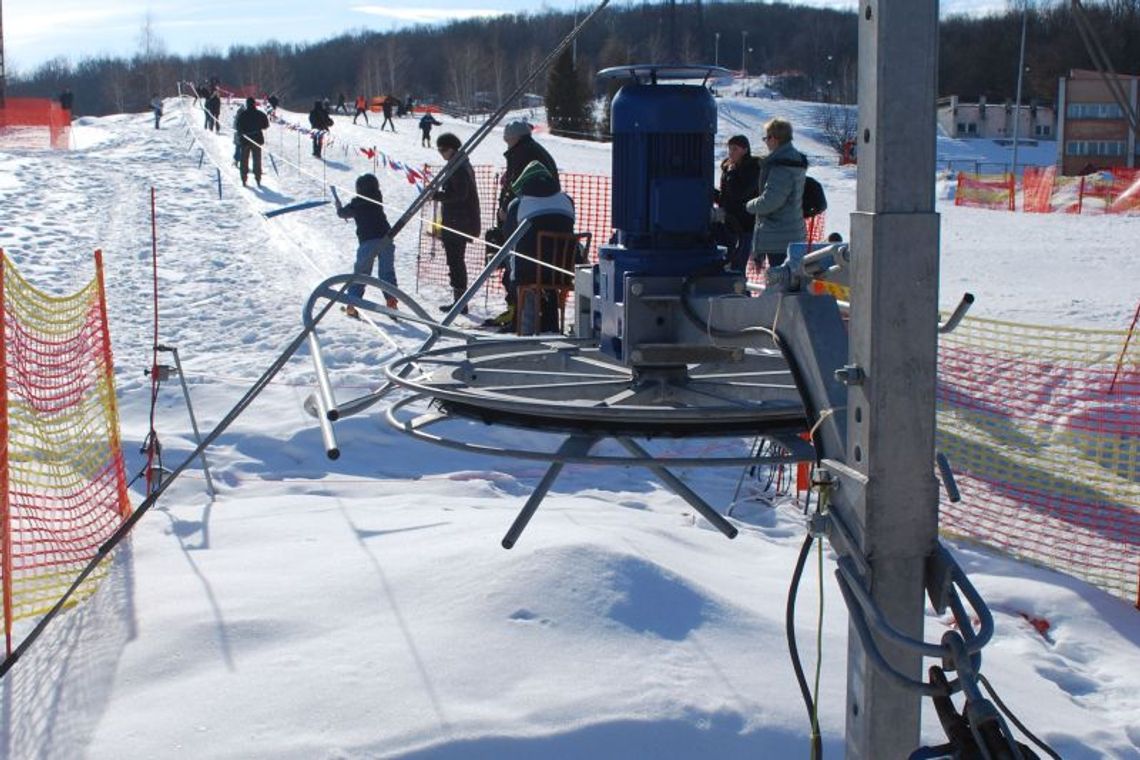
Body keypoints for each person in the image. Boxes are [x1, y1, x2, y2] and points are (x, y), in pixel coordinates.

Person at [484, 119, 560, 327]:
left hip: (527, 224)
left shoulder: (522, 154)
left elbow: (518, 185)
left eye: (507, 140)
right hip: (547, 233)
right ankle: (544, 318)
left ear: (515, 138)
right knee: (542, 273)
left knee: (515, 263)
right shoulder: (534, 151)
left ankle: (519, 315)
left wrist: (506, 209)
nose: (507, 144)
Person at [502, 160, 575, 335]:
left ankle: (524, 323)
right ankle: (550, 324)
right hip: (562, 271)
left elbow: (509, 238)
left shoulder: (518, 204)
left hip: (529, 271)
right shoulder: (567, 201)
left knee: (512, 262)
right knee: (547, 272)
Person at [746, 117, 807, 268]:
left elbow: (771, 201)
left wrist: (748, 205)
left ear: (774, 138)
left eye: (766, 138)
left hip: (780, 237)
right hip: (788, 233)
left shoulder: (782, 165)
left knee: (780, 280)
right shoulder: (792, 160)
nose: (766, 142)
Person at [335, 174, 397, 317]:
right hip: (386, 239)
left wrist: (339, 208)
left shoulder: (357, 203)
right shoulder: (377, 199)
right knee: (387, 273)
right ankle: (392, 302)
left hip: (368, 241)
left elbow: (343, 213)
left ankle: (352, 304)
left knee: (361, 274)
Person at [432, 133, 480, 314]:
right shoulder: (459, 163)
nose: (441, 153)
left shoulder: (459, 167)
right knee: (454, 261)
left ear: (452, 149)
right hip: (457, 220)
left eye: (443, 149)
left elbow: (460, 194)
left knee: (456, 261)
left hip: (458, 222)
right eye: (439, 150)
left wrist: (438, 196)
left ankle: (460, 303)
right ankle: (459, 302)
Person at [714, 135, 761, 272]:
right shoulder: (728, 168)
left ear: (745, 150)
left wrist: (732, 174)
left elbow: (740, 193)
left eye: (735, 149)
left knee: (738, 265)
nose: (731, 152)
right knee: (723, 262)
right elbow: (726, 196)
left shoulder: (752, 169)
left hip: (744, 224)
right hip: (727, 222)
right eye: (729, 149)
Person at [235, 97, 270, 187]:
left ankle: (244, 179)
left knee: (244, 160)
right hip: (257, 139)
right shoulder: (260, 114)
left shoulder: (242, 114)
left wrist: (241, 133)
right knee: (257, 160)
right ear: (254, 104)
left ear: (247, 104)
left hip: (245, 140)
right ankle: (258, 178)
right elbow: (266, 125)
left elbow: (238, 126)